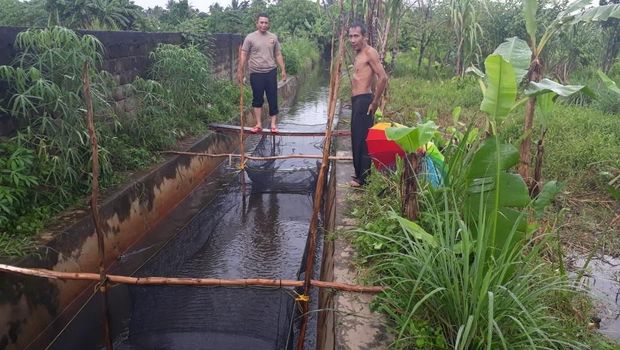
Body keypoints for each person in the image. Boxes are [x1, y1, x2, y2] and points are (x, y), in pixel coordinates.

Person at [348, 21, 388, 187]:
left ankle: (363, 179)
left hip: (365, 100)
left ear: (364, 36)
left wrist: (375, 100)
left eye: (356, 36)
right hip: (357, 101)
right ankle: (360, 174)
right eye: (350, 36)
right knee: (356, 138)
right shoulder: (358, 53)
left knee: (362, 140)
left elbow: (383, 77)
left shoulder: (369, 52)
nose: (352, 40)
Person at [237, 13, 287, 134]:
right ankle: (258, 124)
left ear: (268, 24)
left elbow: (278, 54)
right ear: (257, 23)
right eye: (261, 22)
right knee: (257, 99)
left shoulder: (273, 37)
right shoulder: (250, 38)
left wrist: (283, 70)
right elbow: (243, 54)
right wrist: (240, 70)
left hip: (271, 72)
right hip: (256, 73)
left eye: (266, 23)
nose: (264, 25)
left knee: (272, 98)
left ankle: (273, 124)